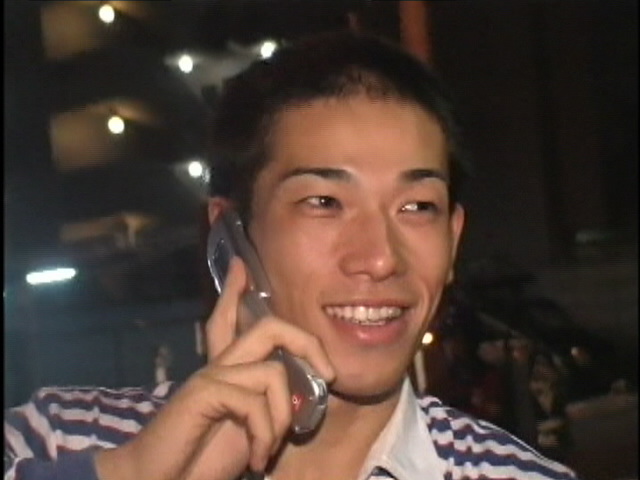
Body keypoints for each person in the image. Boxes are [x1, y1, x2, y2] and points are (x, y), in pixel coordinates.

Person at [4, 31, 579, 480]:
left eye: (417, 207)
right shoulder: (60, 441)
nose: (380, 259)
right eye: (324, 202)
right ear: (229, 236)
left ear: (453, 240)